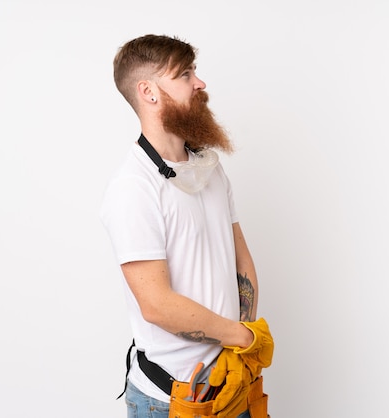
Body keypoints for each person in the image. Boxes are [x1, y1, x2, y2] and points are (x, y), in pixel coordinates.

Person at [100, 34, 274, 418]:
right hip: (171, 400)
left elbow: (240, 258)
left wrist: (239, 352)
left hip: (232, 382)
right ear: (149, 91)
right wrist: (244, 337)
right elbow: (157, 305)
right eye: (185, 74)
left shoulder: (209, 169)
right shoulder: (133, 188)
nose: (200, 83)